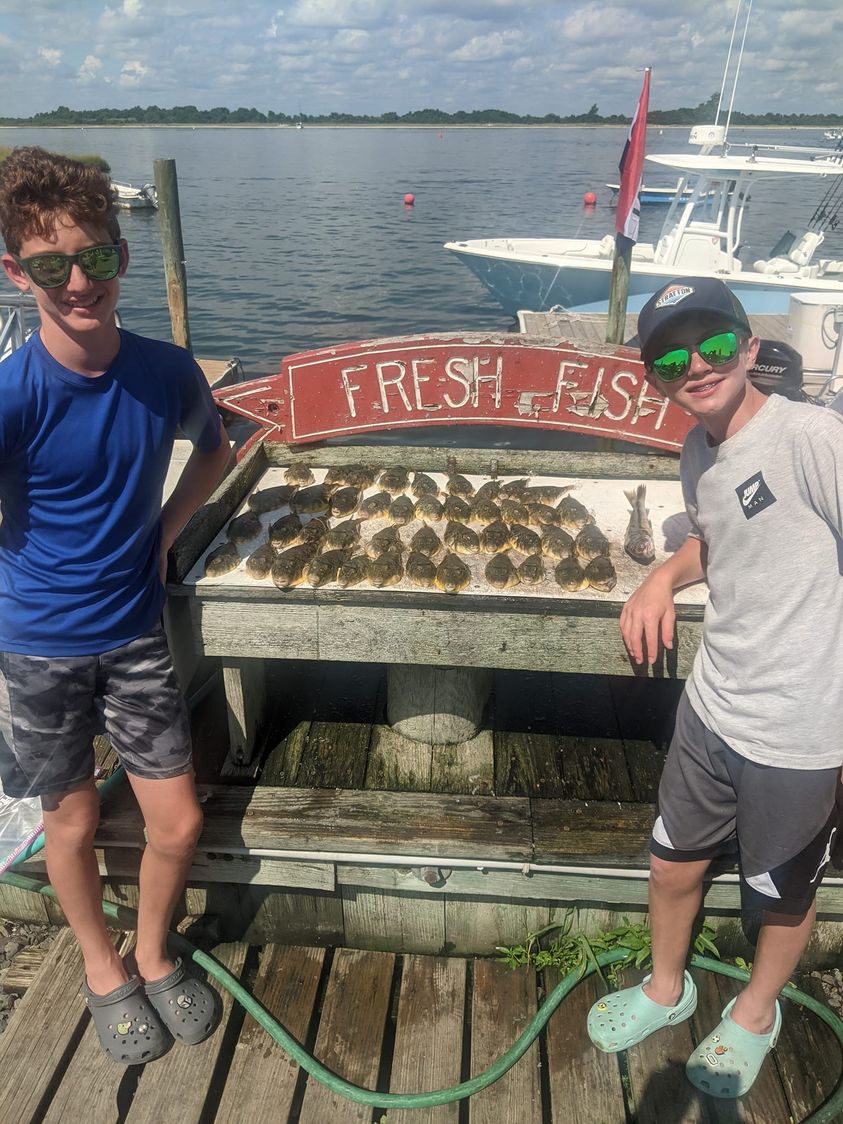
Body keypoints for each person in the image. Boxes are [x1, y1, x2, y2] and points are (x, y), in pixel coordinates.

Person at [0, 147, 231, 1064]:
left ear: (121, 260)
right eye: (52, 267)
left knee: (175, 820)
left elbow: (211, 449)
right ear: (18, 274)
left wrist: (168, 528)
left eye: (95, 258)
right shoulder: (13, 396)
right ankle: (101, 966)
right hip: (35, 644)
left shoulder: (167, 371)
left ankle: (152, 948)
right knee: (73, 819)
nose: (78, 283)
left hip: (135, 631)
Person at [587, 276, 843, 1099]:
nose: (695, 365)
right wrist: (662, 575)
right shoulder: (697, 448)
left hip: (800, 731)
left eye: (716, 345)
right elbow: (717, 537)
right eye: (670, 356)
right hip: (710, 706)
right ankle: (668, 988)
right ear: (653, 379)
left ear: (751, 347)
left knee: (779, 892)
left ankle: (757, 1012)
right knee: (670, 864)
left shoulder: (812, 438)